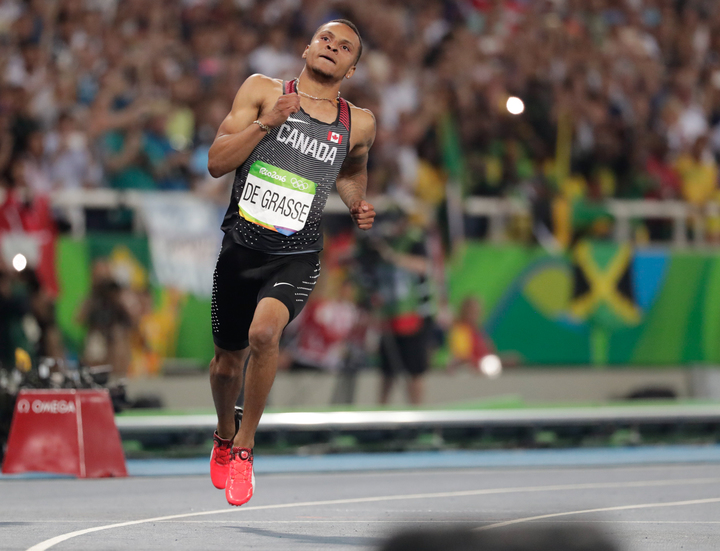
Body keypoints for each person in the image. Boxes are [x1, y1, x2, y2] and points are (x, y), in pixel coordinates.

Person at [206, 19, 376, 507]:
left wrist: (357, 202)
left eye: (345, 47)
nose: (332, 48)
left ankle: (244, 446)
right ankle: (223, 430)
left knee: (265, 335)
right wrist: (267, 124)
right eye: (326, 39)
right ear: (307, 47)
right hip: (241, 249)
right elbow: (217, 162)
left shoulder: (358, 122)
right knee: (225, 364)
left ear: (352, 66)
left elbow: (351, 172)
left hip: (296, 255)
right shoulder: (262, 92)